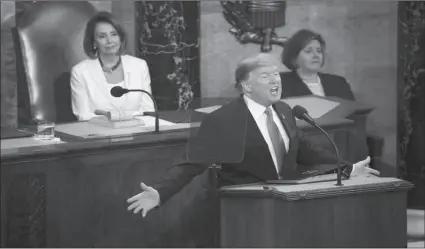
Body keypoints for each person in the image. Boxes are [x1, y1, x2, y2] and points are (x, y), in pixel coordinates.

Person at [127, 53, 379, 217]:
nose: (275, 81)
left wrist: (347, 169)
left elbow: (304, 148)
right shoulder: (223, 119)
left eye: (277, 75)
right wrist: (160, 192)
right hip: (247, 210)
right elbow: (191, 162)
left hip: (289, 203)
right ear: (246, 86)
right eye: (265, 76)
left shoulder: (283, 109)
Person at [70, 11, 155, 121]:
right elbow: (83, 116)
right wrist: (121, 119)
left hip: (137, 132)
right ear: (94, 42)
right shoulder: (80, 72)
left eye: (114, 34)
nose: (110, 41)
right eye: (102, 36)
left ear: (120, 37)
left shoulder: (139, 66)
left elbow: (148, 110)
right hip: (99, 134)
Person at [280, 29, 355, 100]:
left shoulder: (339, 83)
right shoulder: (281, 84)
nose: (316, 55)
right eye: (308, 51)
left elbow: (355, 111)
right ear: (294, 57)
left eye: (319, 51)